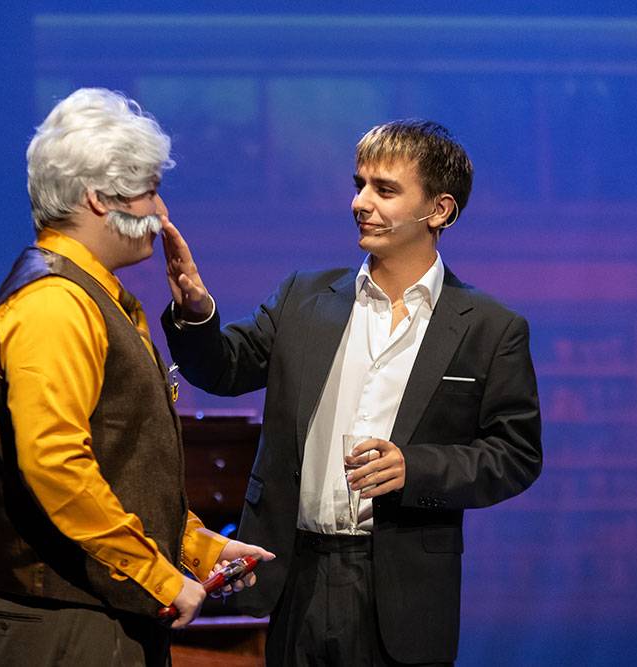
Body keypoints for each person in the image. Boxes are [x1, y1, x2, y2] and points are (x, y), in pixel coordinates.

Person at [160, 119, 542, 665]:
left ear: (439, 210)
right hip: (297, 574)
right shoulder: (304, 297)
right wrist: (196, 314)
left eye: (385, 190)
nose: (361, 203)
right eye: (359, 184)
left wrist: (416, 468)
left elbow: (515, 455)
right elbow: (223, 368)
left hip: (403, 589)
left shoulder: (489, 327)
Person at [0, 87, 273, 667]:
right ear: (97, 198)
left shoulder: (94, 296)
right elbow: (56, 467)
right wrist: (160, 577)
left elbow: (122, 462)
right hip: (64, 620)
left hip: (97, 612)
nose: (162, 211)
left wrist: (198, 549)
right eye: (149, 191)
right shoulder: (53, 304)